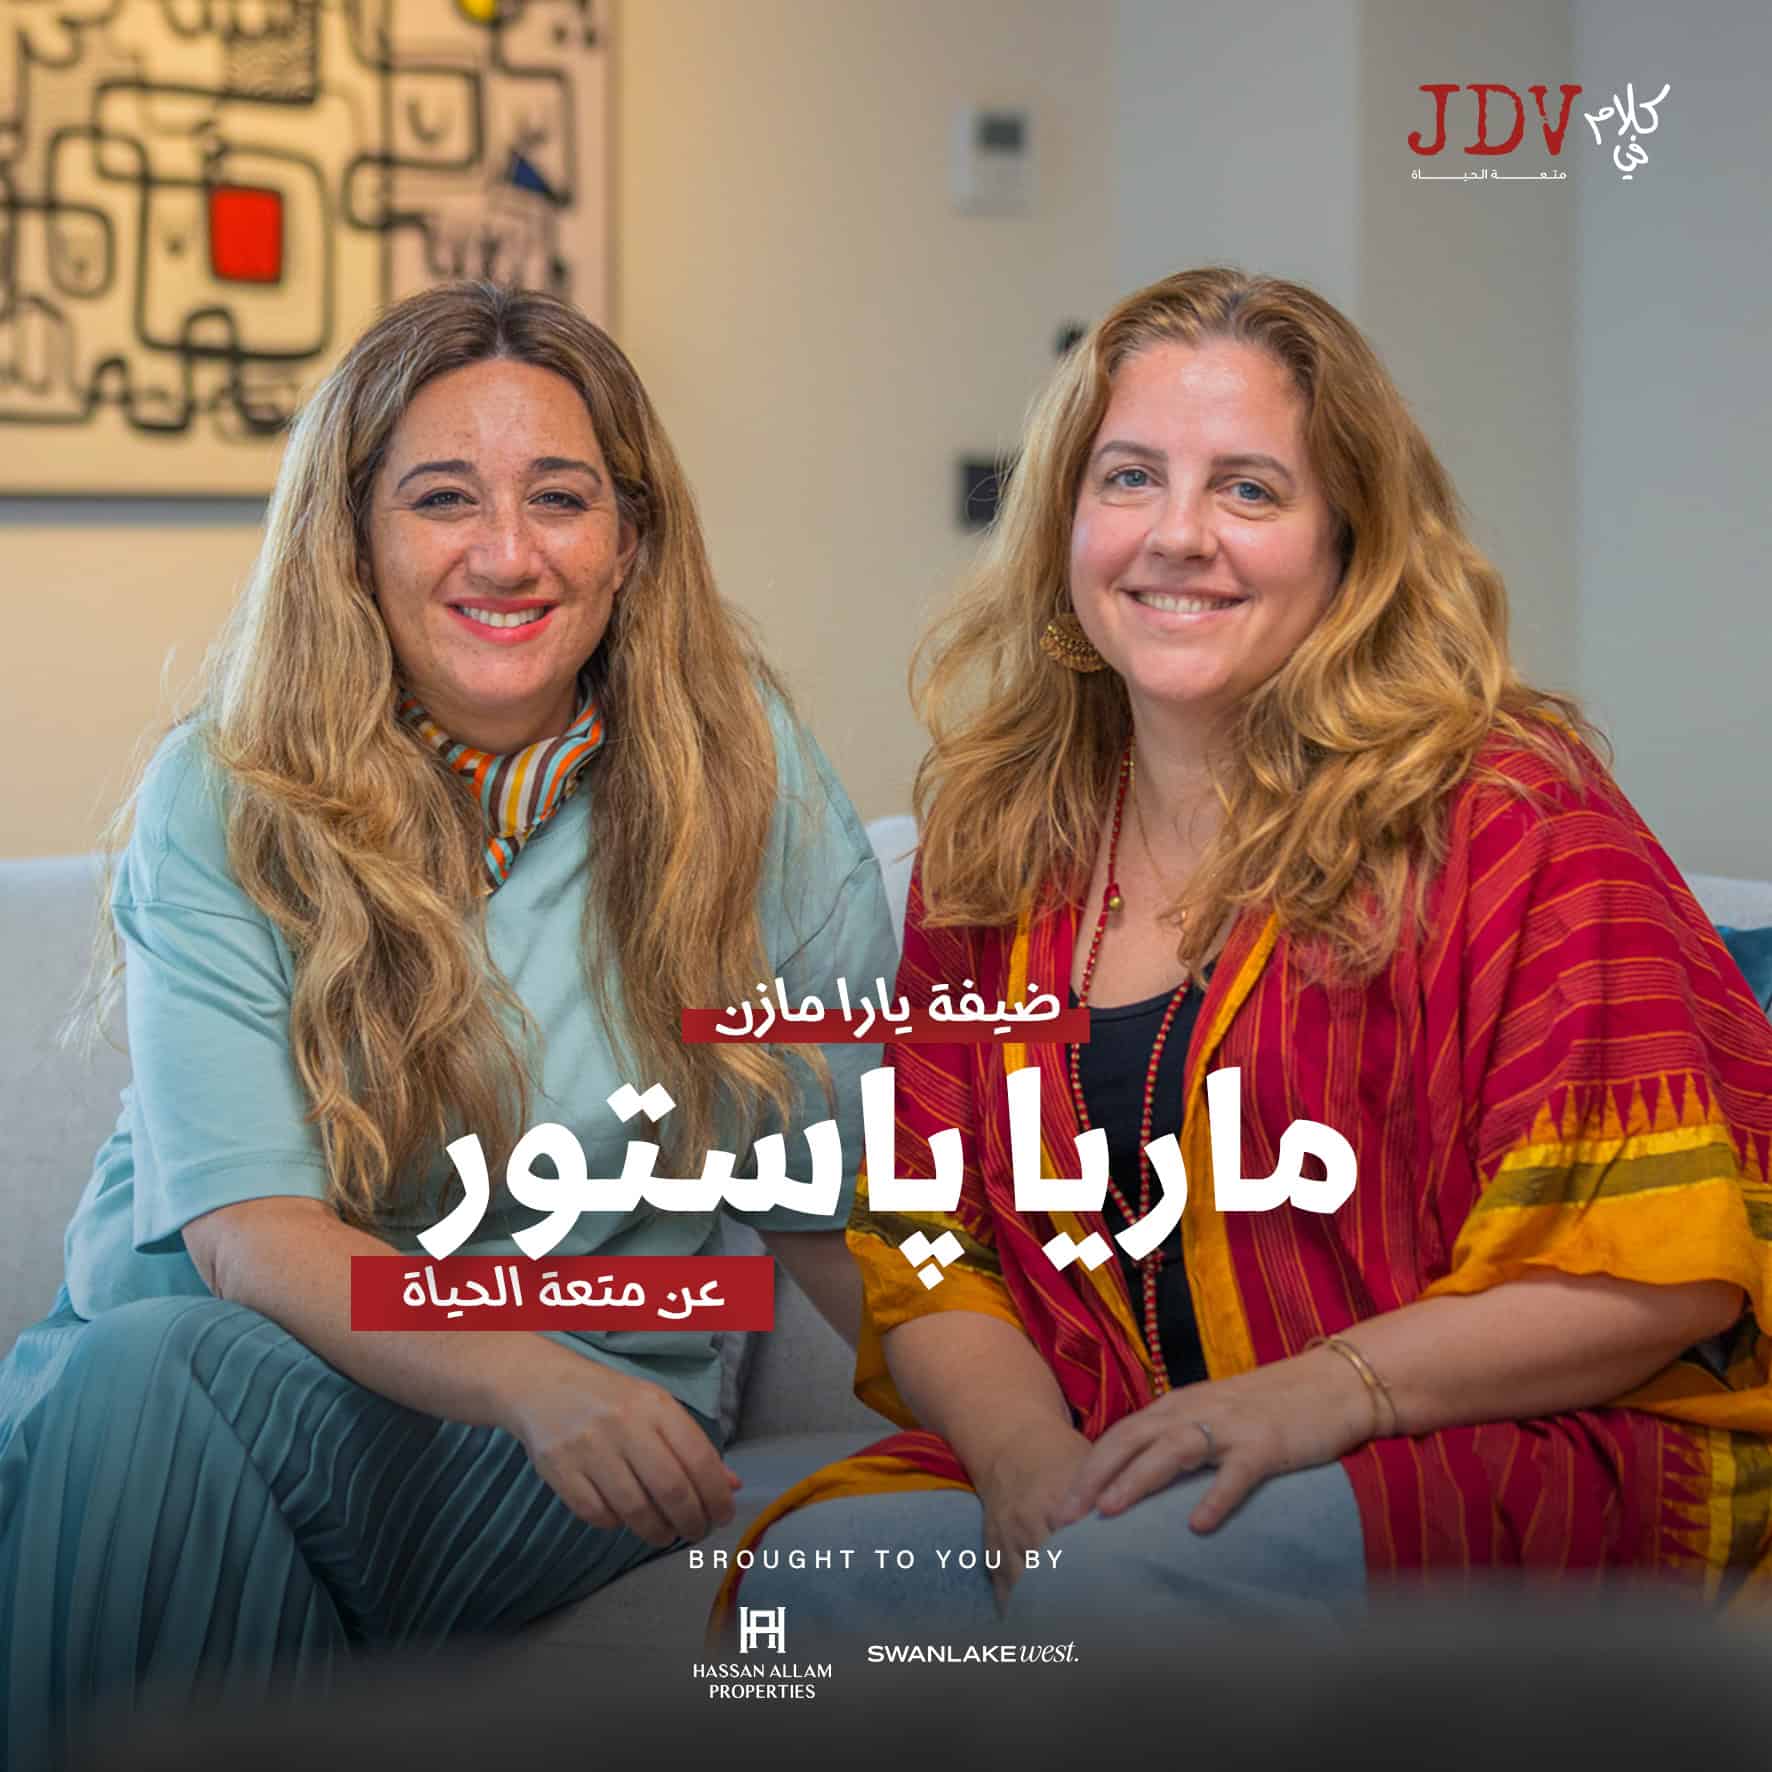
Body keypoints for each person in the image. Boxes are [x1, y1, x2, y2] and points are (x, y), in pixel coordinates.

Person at [723, 268, 1772, 1636]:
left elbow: (1658, 1270)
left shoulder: (1510, 811)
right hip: (1123, 1441)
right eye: (1130, 479)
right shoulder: (995, 848)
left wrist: (1315, 1394)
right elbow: (928, 1241)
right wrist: (1024, 1462)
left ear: (1350, 543)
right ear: (1063, 527)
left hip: (1501, 1441)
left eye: (1250, 490)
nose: (1179, 536)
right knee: (817, 1589)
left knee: (1120, 1581)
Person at [0, 281, 898, 1761]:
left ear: (632, 538)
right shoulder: (224, 792)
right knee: (142, 1385)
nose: (507, 552)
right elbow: (248, 1235)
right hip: (196, 1392)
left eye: (560, 497)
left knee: (141, 1415)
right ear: (353, 538)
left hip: (555, 1449)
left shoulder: (753, 786)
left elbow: (835, 1205)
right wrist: (522, 1367)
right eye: (441, 498)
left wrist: (1042, 1426)